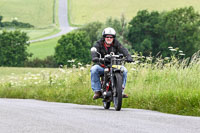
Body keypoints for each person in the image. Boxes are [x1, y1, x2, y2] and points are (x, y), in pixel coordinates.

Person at [90, 27, 133, 100]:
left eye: (111, 37)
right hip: (102, 66)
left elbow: (123, 49)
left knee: (124, 71)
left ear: (113, 38)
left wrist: (128, 56)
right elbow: (94, 50)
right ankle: (97, 91)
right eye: (107, 37)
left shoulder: (116, 43)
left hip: (115, 65)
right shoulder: (99, 43)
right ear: (104, 37)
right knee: (94, 69)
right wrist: (95, 57)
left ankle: (121, 91)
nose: (109, 38)